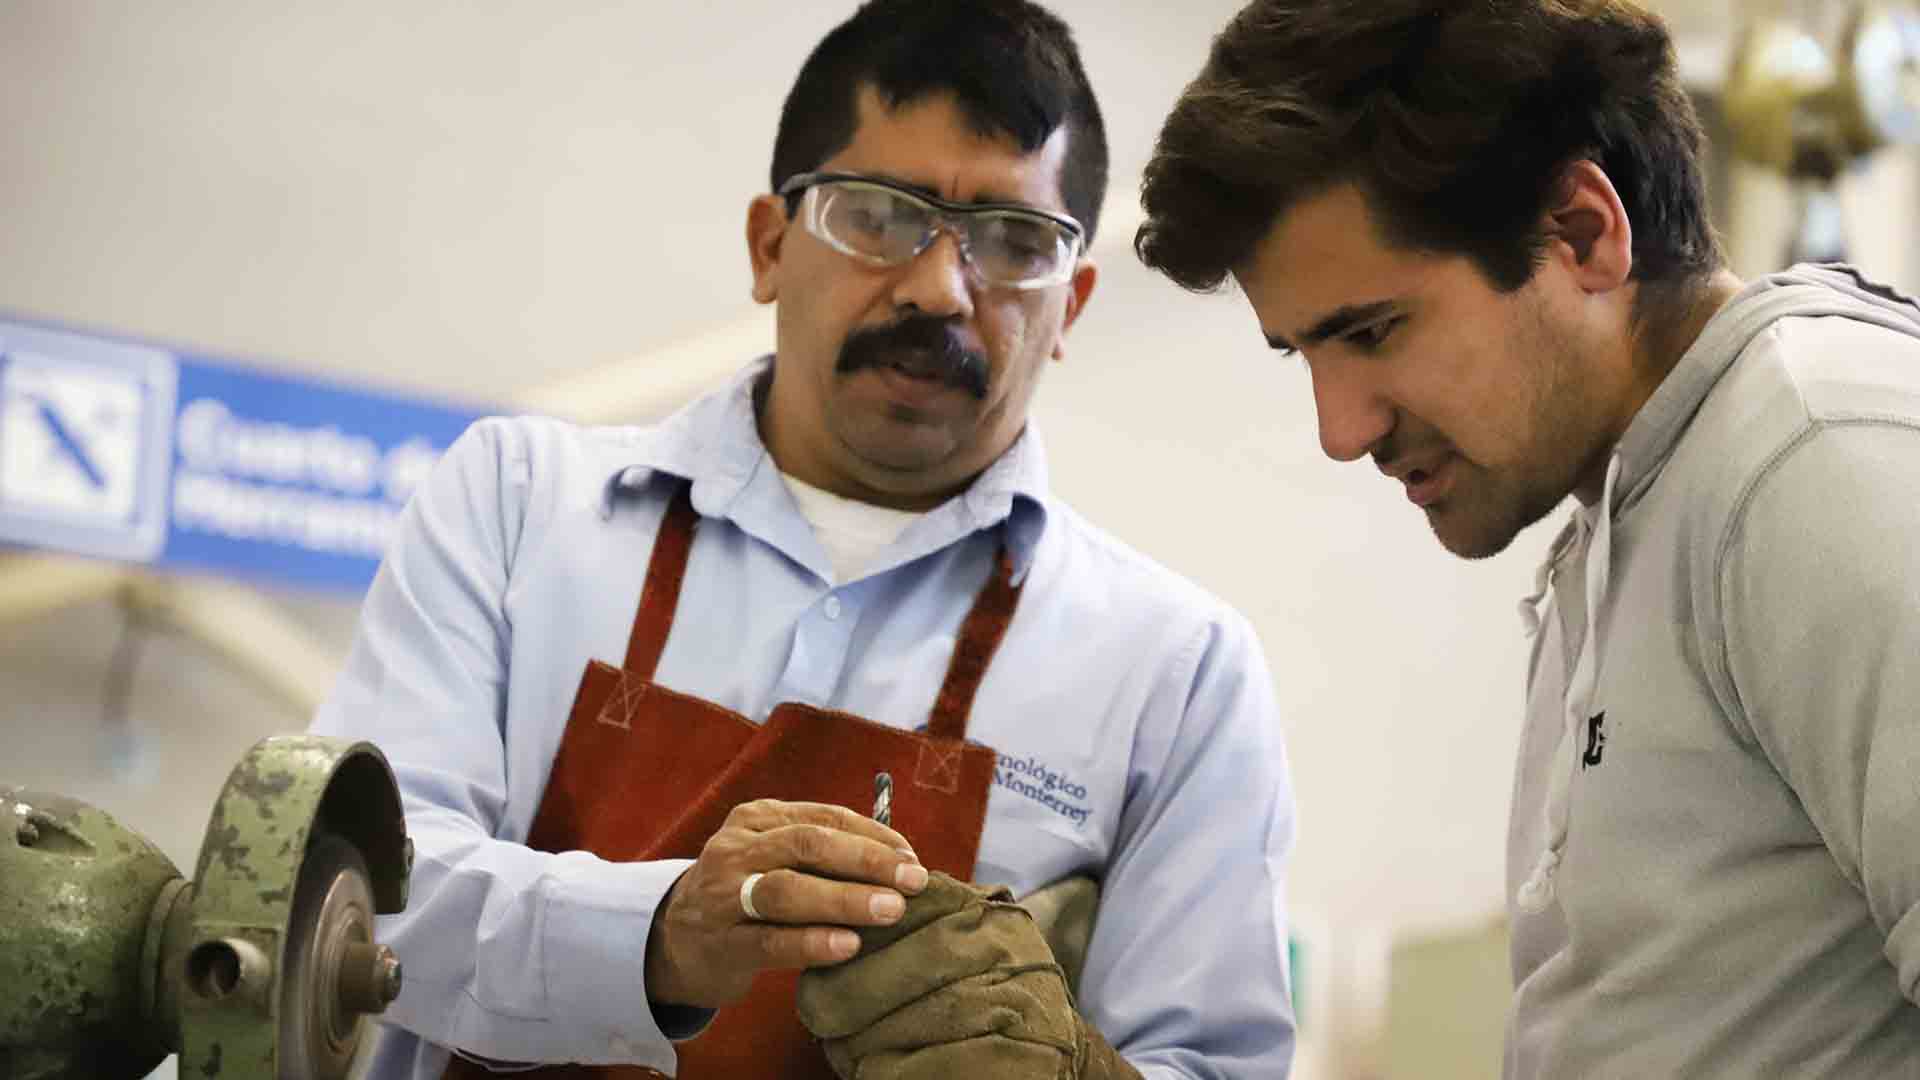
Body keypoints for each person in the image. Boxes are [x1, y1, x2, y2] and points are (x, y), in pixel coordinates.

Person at [312, 2, 1297, 1078]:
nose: (937, 287)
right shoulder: (514, 504)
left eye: (1014, 243)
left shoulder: (1179, 674)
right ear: (771, 245)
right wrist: (660, 935)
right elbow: (363, 907)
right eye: (880, 216)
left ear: (1072, 308)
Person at [1135, 0, 1920, 1075]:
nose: (1339, 429)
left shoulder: (1814, 458)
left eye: (1371, 332)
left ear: (1582, 233)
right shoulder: (1641, 499)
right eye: (1300, 356)